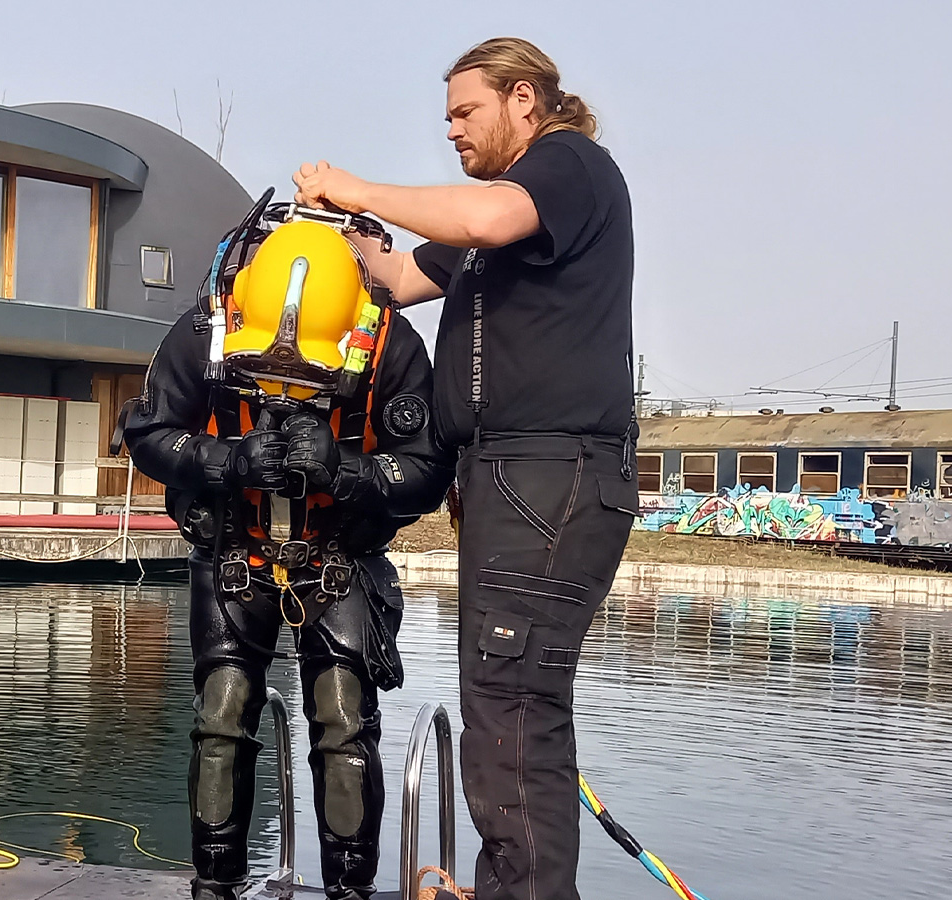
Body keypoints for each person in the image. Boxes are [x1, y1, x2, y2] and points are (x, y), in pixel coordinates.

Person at [292, 36, 638, 900]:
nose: (451, 129)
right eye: (445, 116)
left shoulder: (567, 168)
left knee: (511, 706)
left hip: (551, 473)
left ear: (525, 99)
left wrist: (355, 184)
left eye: (465, 111)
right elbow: (404, 278)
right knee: (502, 702)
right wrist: (358, 240)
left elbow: (482, 218)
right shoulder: (495, 220)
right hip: (506, 480)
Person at [121, 201, 455, 900]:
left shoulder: (391, 344)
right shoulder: (205, 331)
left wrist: (348, 471)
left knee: (342, 725)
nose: (284, 385)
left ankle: (350, 890)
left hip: (338, 559)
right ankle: (214, 885)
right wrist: (222, 460)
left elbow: (425, 471)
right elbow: (149, 430)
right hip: (232, 552)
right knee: (221, 716)